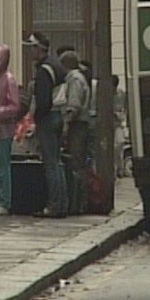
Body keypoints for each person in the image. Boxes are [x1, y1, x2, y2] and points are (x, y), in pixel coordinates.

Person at [23, 31, 68, 218]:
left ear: (38, 48)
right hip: (59, 115)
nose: (29, 52)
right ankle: (62, 204)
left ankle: (54, 205)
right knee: (57, 162)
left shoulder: (43, 71)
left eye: (31, 47)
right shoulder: (56, 65)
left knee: (50, 164)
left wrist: (34, 119)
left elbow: (43, 101)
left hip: (47, 118)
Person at [59, 50, 91, 215]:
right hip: (81, 124)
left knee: (76, 164)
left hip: (77, 125)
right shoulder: (80, 78)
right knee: (78, 163)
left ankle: (78, 203)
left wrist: (65, 125)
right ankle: (80, 202)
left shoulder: (74, 79)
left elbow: (74, 105)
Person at [0, 43, 21, 215]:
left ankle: (5, 200)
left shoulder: (8, 79)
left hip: (3, 129)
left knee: (2, 166)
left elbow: (15, 105)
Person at [112, 74, 128, 178]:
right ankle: (115, 169)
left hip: (118, 123)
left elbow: (124, 107)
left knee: (119, 145)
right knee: (113, 147)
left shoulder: (121, 94)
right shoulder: (104, 94)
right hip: (110, 123)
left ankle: (120, 169)